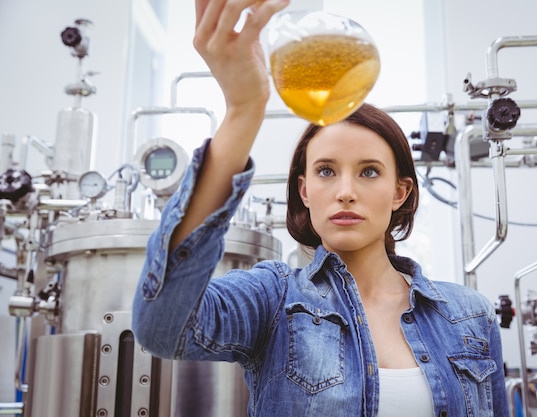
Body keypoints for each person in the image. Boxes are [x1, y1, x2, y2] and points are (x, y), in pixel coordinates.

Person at [131, 0, 510, 416]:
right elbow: (162, 328)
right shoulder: (274, 300)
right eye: (326, 171)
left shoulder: (470, 316)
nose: (345, 191)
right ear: (305, 190)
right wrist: (243, 110)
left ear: (400, 192)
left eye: (368, 172)